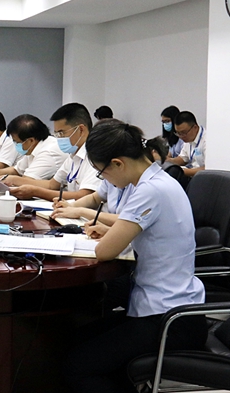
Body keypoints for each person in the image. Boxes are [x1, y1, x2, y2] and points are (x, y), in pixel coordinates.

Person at [63, 121, 206, 393]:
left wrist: (108, 235)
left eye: (102, 172)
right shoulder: (160, 180)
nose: (105, 180)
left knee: (78, 365)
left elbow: (104, 252)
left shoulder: (149, 190)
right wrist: (109, 230)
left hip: (169, 319)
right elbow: (152, 235)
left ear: (118, 163)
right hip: (170, 308)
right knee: (78, 337)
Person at [4, 103, 100, 201]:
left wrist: (36, 192)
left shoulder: (96, 155)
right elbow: (52, 184)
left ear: (81, 129)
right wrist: (14, 180)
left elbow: (84, 196)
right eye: (56, 133)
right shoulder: (73, 155)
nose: (59, 138)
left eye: (62, 133)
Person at [0, 113, 67, 180]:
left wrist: (7, 179)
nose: (15, 145)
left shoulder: (48, 152)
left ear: (31, 140)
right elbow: (17, 170)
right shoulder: (34, 147)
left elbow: (27, 181)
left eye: (17, 142)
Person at [165, 110, 206, 177]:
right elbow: (182, 159)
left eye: (183, 133)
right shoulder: (188, 139)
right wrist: (165, 161)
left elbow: (209, 168)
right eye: (178, 133)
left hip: (205, 177)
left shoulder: (207, 141)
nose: (181, 137)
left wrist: (183, 171)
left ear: (195, 128)